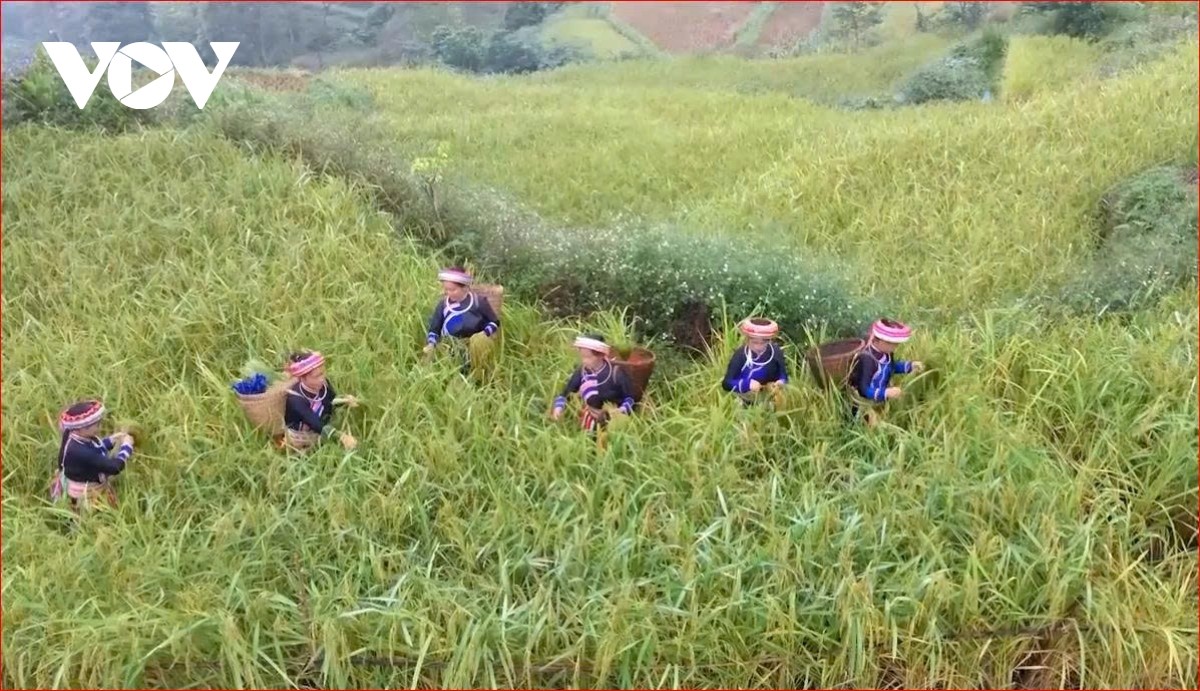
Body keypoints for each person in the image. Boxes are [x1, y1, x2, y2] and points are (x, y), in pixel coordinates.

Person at [50, 399, 134, 510]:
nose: (99, 427)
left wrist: (111, 440)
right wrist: (127, 447)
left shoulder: (74, 437)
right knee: (93, 515)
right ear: (81, 428)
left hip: (83, 482)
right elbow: (115, 467)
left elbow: (94, 448)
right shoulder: (79, 451)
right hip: (87, 493)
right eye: (97, 425)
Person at [550, 334, 637, 434]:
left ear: (600, 355)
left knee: (611, 440)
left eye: (588, 357)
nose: (584, 361)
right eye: (582, 357)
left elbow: (630, 399)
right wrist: (558, 408)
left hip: (615, 421)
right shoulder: (582, 372)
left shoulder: (616, 373)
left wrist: (621, 410)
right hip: (589, 419)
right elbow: (565, 394)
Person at [846, 319, 925, 426]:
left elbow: (890, 367)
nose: (896, 347)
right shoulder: (867, 359)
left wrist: (910, 366)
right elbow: (863, 390)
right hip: (864, 403)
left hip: (879, 401)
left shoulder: (887, 353)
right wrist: (886, 393)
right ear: (880, 341)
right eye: (893, 344)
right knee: (865, 426)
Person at [422, 267, 500, 375]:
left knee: (472, 367)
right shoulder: (443, 305)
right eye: (446, 290)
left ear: (465, 288)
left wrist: (483, 334)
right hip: (449, 347)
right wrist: (431, 344)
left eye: (453, 290)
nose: (449, 293)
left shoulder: (479, 302)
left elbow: (494, 322)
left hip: (473, 348)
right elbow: (435, 328)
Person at [282, 350, 359, 451]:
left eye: (322, 373)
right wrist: (341, 437)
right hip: (301, 435)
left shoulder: (324, 384)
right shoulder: (296, 399)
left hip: (320, 423)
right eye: (316, 376)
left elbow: (330, 400)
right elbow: (314, 422)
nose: (321, 379)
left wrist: (345, 401)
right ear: (302, 379)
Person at [722, 317, 789, 405]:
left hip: (768, 398)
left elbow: (783, 375)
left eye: (763, 343)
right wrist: (747, 384)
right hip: (742, 398)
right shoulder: (740, 355)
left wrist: (781, 382)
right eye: (754, 342)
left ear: (769, 340)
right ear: (747, 340)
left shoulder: (776, 353)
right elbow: (727, 383)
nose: (758, 347)